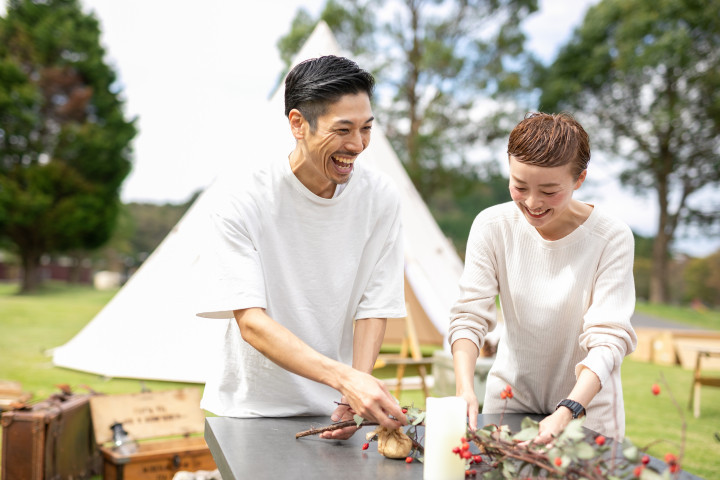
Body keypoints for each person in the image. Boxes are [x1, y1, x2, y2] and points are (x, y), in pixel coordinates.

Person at [196, 55, 407, 439]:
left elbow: (374, 305)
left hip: (336, 412)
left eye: (366, 128)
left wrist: (354, 391)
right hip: (252, 411)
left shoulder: (382, 198)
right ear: (297, 123)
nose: (357, 145)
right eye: (343, 129)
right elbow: (252, 323)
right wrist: (346, 380)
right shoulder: (242, 198)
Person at [449, 112, 637, 441]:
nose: (533, 203)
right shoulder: (492, 227)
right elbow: (469, 316)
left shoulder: (611, 238)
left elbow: (608, 340)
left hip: (587, 410)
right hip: (510, 403)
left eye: (550, 191)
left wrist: (568, 410)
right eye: (519, 186)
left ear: (579, 180)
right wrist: (464, 389)